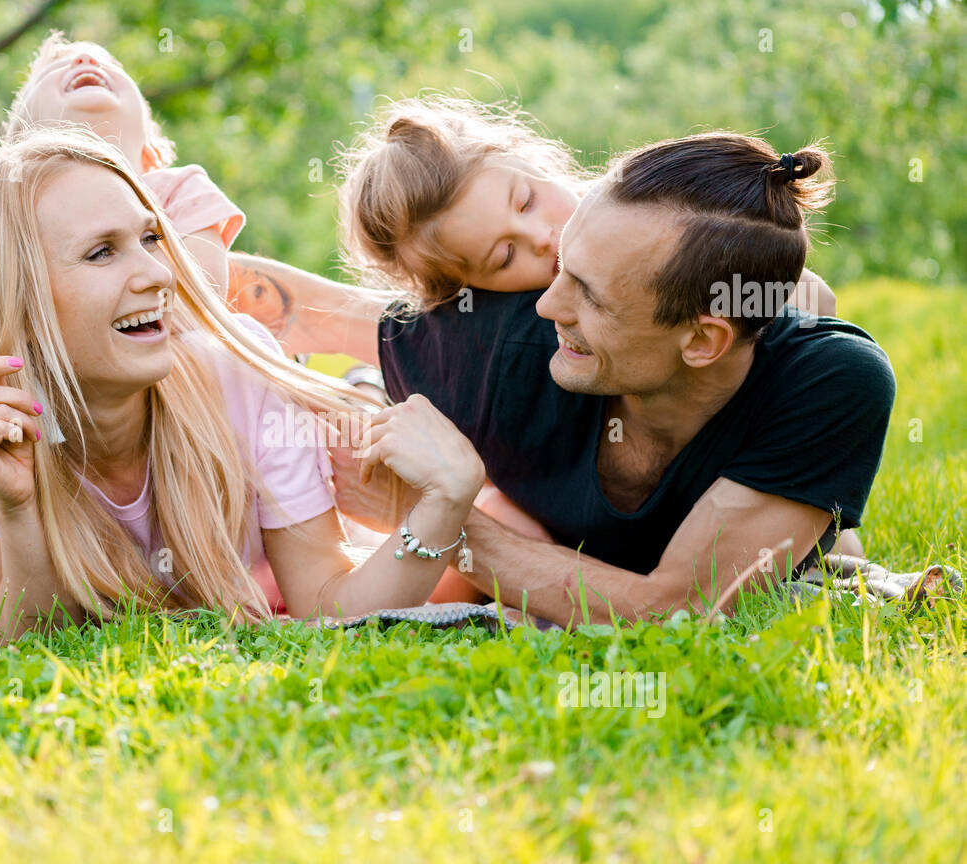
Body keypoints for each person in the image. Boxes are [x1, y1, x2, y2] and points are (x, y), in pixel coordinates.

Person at [231, 131, 896, 625]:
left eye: (589, 295)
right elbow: (299, 307)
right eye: (556, 268)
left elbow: (678, 613)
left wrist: (428, 516)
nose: (548, 302)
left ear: (703, 339)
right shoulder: (504, 333)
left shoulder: (827, 379)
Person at [0, 127, 485, 644]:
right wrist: (16, 508)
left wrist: (443, 505)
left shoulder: (236, 366)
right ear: (12, 297)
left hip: (296, 452)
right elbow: (34, 644)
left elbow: (327, 606)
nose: (158, 272)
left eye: (150, 238)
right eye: (100, 254)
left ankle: (360, 384)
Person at [0, 30, 243, 359]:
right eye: (51, 71)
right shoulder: (18, 216)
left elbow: (203, 301)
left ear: (152, 151)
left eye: (111, 65)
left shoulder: (180, 191)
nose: (85, 61)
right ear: (21, 149)